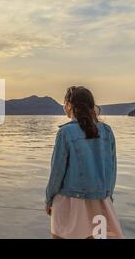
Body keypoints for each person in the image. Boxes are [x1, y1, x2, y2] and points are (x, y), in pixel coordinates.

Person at [45, 86, 124, 239]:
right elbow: (112, 170)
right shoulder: (107, 131)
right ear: (92, 106)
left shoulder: (65, 132)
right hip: (100, 201)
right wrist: (108, 197)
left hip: (69, 203)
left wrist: (49, 200)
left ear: (68, 105)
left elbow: (57, 172)